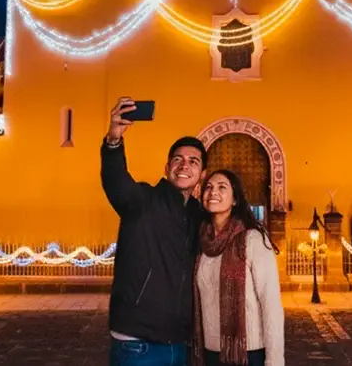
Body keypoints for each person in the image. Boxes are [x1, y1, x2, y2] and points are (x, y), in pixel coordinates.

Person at [101, 97, 206, 366]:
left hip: (179, 341)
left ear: (202, 174)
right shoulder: (143, 201)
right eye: (178, 159)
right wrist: (114, 140)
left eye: (193, 161)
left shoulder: (198, 215)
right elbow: (116, 181)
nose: (185, 166)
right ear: (167, 168)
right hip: (138, 342)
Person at [192, 170, 284, 366]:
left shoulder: (253, 240)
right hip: (209, 352)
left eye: (222, 187)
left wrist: (274, 361)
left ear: (235, 200)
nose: (213, 192)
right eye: (208, 187)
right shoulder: (202, 242)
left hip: (248, 353)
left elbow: (271, 305)